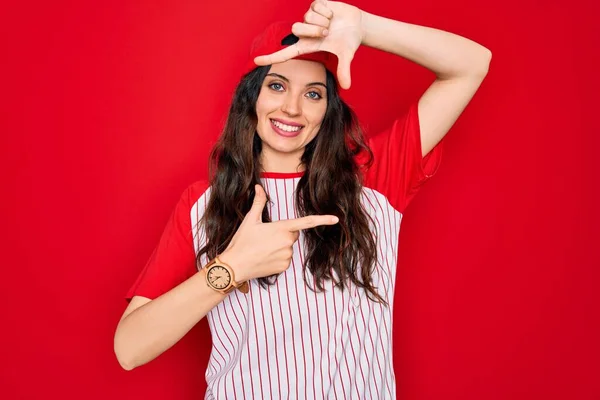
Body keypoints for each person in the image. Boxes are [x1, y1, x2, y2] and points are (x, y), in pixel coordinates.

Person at [114, 1, 491, 398]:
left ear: (328, 110)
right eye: (276, 86)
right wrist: (230, 268)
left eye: (313, 93)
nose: (292, 108)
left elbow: (471, 65)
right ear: (252, 99)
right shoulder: (204, 204)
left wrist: (365, 27)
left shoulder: (375, 179)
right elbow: (129, 348)